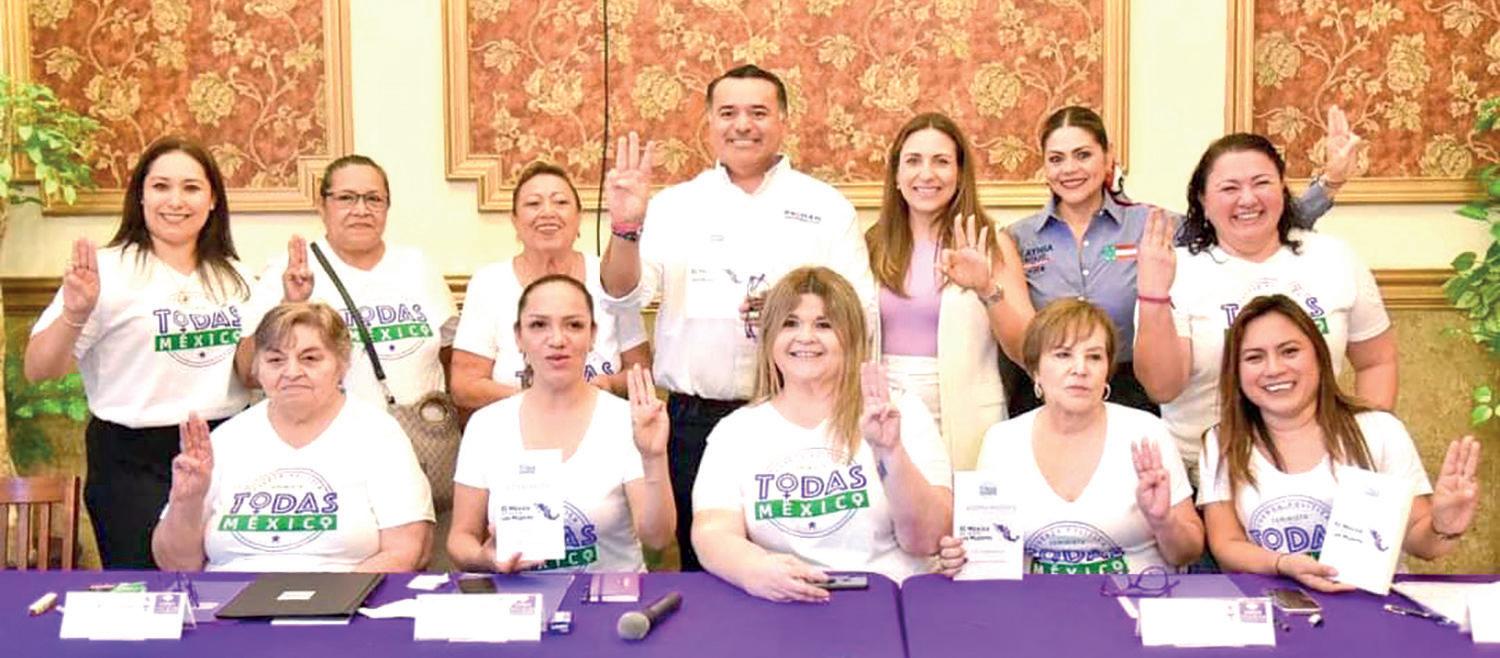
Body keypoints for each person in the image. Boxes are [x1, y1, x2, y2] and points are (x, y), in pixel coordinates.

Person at [599, 65, 878, 570]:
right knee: (708, 566)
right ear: (708, 122)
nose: (743, 125)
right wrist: (624, 226)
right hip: (695, 421)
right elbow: (623, 296)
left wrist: (790, 310)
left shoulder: (826, 207)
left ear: (784, 120)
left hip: (802, 418)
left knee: (807, 559)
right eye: (728, 113)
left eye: (758, 112)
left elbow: (861, 314)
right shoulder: (676, 205)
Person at [1005, 106, 1359, 416]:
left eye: (1083, 155)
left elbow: (1248, 222)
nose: (1070, 169)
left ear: (1108, 156)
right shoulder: (1018, 239)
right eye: (1056, 159)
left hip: (1134, 392)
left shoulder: (1154, 225)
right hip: (1047, 394)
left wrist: (1329, 183)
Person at [24, 136, 252, 569]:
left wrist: (288, 304)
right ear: (141, 196)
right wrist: (75, 312)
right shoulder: (105, 271)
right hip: (131, 460)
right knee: (149, 589)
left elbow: (251, 373)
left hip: (224, 446)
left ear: (212, 200)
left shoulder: (234, 276)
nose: (176, 201)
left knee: (224, 580)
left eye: (191, 187)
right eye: (161, 186)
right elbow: (39, 369)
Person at [1133, 133, 1396, 481]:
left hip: (1323, 471)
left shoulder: (1334, 257)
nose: (1248, 199)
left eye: (1262, 183)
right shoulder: (1174, 269)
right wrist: (1153, 296)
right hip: (1205, 474)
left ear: (1283, 190)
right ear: (1203, 201)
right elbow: (1162, 388)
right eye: (1229, 188)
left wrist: (1367, 449)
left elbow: (1377, 362)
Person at [692, 267, 952, 601]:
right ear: (769, 338)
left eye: (824, 325)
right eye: (790, 323)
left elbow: (928, 539)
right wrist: (753, 569)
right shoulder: (735, 432)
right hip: (782, 602)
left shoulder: (902, 412)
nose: (805, 337)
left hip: (888, 601)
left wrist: (891, 452)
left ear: (852, 336)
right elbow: (712, 532)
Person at [1198, 295, 1480, 592]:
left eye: (1289, 351)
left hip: (1369, 603)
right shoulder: (1221, 442)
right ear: (1236, 372)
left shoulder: (1379, 429)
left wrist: (1443, 526)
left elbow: (1421, 543)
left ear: (1319, 356)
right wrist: (1283, 563)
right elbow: (1226, 544)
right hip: (1276, 603)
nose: (1274, 369)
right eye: (1254, 357)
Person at [152, 302, 434, 572]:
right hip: (228, 597)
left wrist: (332, 599)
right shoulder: (226, 439)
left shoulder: (379, 435)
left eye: (310, 358)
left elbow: (404, 551)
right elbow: (176, 564)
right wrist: (186, 501)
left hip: (345, 596)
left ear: (342, 363)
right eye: (275, 360)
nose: (292, 372)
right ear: (257, 368)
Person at [934, 299, 1203, 576]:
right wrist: (961, 556)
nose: (1080, 369)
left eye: (1094, 357)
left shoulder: (1146, 432)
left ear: (1107, 371)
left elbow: (1189, 552)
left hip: (1137, 596)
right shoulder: (1002, 441)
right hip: (1034, 600)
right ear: (1035, 370)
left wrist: (1162, 521)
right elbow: (987, 552)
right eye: (1063, 355)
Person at [447, 275, 674, 573]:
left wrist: (653, 457)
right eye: (538, 325)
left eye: (574, 325)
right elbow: (460, 538)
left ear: (592, 335)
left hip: (609, 595)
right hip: (520, 594)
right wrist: (483, 558)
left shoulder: (626, 420)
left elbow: (657, 539)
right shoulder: (487, 425)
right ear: (518, 336)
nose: (557, 340)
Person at [865, 112, 1033, 470]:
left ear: (959, 173)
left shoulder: (991, 242)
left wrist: (987, 288)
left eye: (941, 161)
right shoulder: (871, 244)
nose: (926, 174)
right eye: (913, 161)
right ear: (896, 175)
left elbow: (1027, 350)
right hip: (886, 412)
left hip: (968, 418)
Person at [237, 155, 458, 412]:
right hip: (329, 430)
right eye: (346, 198)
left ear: (387, 206)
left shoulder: (418, 266)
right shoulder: (288, 272)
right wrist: (289, 304)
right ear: (322, 206)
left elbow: (450, 358)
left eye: (374, 199)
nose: (361, 210)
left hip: (420, 431)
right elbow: (248, 373)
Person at [450, 162, 649, 409]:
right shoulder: (489, 283)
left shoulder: (611, 275)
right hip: (516, 425)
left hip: (600, 421)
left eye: (560, 202)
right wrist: (537, 403)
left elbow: (640, 371)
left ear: (579, 218)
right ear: (514, 221)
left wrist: (608, 385)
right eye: (533, 204)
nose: (547, 212)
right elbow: (465, 386)